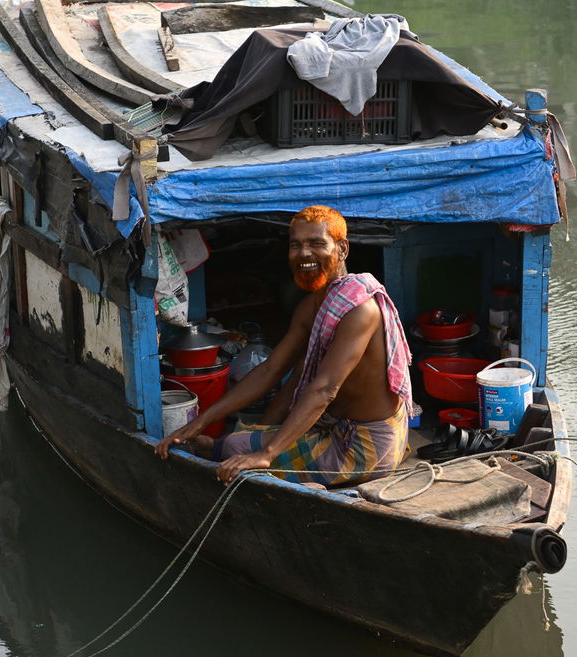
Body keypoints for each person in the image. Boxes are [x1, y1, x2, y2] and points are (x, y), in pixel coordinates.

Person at [154, 205, 413, 485]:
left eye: (316, 244)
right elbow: (270, 370)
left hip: (366, 447)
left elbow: (325, 389)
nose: (304, 254)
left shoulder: (360, 309)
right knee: (237, 443)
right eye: (295, 245)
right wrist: (199, 422)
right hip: (335, 428)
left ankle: (217, 450)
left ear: (342, 249)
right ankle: (212, 446)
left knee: (235, 448)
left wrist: (267, 453)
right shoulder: (311, 305)